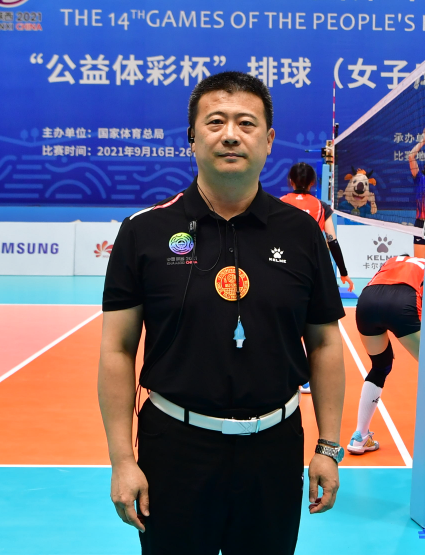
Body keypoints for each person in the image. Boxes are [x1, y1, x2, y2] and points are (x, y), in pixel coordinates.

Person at [98, 71, 346, 555]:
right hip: (174, 449)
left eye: (246, 123)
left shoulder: (301, 233)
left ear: (268, 140)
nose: (231, 134)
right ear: (192, 138)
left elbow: (324, 341)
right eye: (215, 122)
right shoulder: (143, 231)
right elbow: (117, 349)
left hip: (275, 449)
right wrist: (121, 460)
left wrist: (328, 446)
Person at [281, 162, 354, 394]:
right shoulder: (322, 207)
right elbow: (332, 241)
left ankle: (289, 375)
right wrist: (343, 272)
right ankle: (309, 377)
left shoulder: (280, 204)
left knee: (287, 324)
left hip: (283, 270)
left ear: (290, 181)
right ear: (313, 183)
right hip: (312, 272)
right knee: (316, 327)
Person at [348, 255, 422, 454]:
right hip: (403, 303)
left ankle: (360, 437)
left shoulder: (392, 261)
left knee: (380, 366)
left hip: (367, 302)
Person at [408, 128, 425, 257]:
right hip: (420, 223)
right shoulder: (420, 178)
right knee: (420, 263)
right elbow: (411, 156)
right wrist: (423, 141)